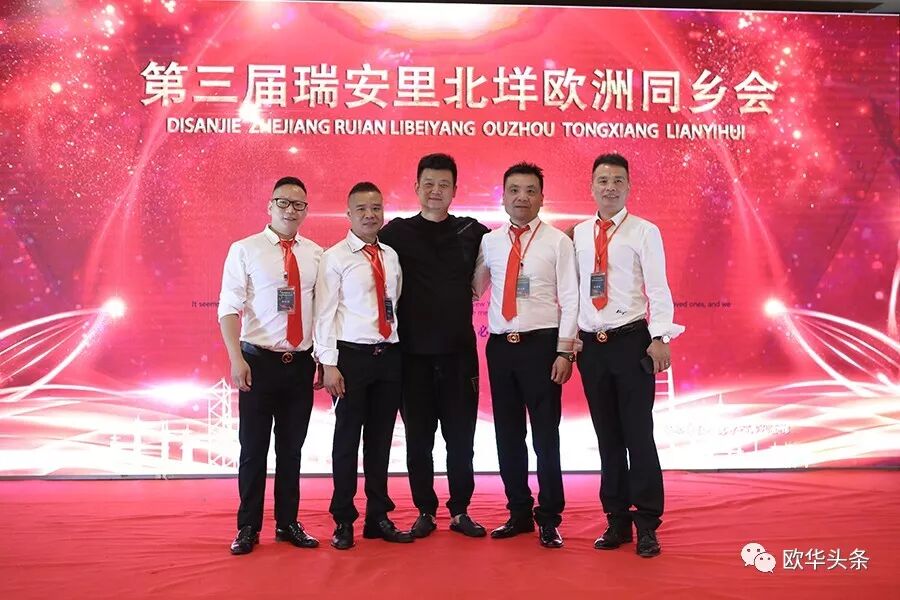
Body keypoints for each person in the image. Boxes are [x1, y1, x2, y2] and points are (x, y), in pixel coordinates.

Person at [572, 153, 684, 558]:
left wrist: (661, 336)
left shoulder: (644, 231)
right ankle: (616, 519)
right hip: (592, 347)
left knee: (638, 434)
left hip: (631, 341)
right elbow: (573, 290)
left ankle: (647, 523)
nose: (610, 187)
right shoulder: (578, 234)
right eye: (602, 180)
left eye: (618, 181)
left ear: (629, 187)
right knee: (607, 437)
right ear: (591, 186)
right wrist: (572, 339)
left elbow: (658, 287)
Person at [379, 153, 490, 538]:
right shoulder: (395, 234)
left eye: (444, 185)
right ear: (416, 187)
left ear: (455, 190)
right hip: (412, 357)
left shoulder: (473, 231)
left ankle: (460, 510)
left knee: (461, 441)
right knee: (418, 441)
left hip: (459, 356)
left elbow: (513, 247)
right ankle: (424, 510)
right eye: (428, 183)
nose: (435, 191)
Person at [473, 162, 579, 548]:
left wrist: (565, 351)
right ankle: (518, 511)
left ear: (541, 197)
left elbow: (571, 298)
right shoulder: (490, 242)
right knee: (508, 434)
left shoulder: (557, 242)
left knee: (546, 436)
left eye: (530, 190)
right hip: (501, 348)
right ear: (503, 197)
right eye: (514, 190)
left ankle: (549, 516)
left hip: (542, 346)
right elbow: (475, 287)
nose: (522, 197)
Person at [218, 176, 322, 555]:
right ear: (270, 206)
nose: (291, 210)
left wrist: (323, 359)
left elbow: (323, 313)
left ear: (306, 210)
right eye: (283, 202)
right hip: (258, 363)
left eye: (299, 204)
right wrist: (236, 358)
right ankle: (248, 526)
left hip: (300, 365)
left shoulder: (317, 255)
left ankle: (287, 522)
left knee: (291, 450)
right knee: (253, 450)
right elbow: (229, 308)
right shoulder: (244, 250)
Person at [314, 181, 412, 550]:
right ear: (349, 214)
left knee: (381, 440)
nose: (370, 215)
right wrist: (329, 363)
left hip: (388, 357)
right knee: (346, 441)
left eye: (376, 208)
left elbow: (394, 302)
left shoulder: (391, 255)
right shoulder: (335, 257)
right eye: (362, 209)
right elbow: (324, 313)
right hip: (350, 360)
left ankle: (378, 517)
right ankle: (343, 519)